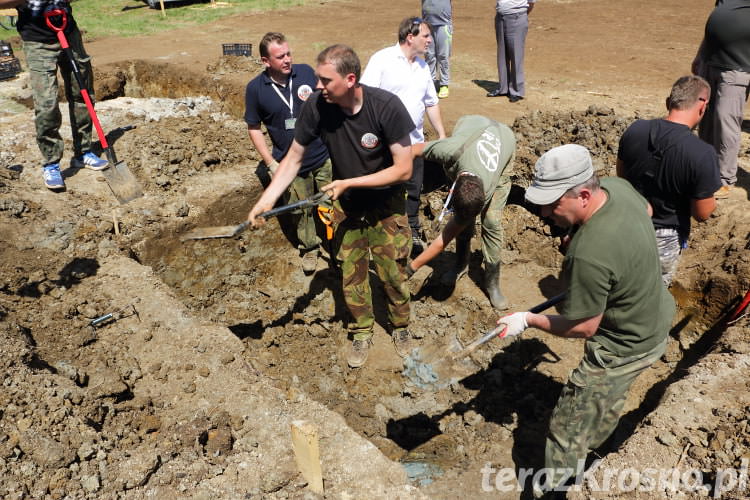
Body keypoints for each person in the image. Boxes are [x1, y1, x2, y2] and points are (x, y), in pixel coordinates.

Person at [499, 145, 675, 498]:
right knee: (605, 402)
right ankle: (598, 447)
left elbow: (584, 327)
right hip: (654, 314)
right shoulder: (616, 188)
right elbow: (647, 208)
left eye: (552, 203)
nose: (544, 212)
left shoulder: (589, 254)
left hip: (625, 343)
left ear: (582, 194)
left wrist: (529, 320)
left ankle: (557, 490)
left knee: (569, 422)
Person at [247, 45, 415, 369]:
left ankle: (401, 326)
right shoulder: (317, 106)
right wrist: (265, 202)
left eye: (326, 80)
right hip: (348, 207)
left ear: (350, 79)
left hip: (386, 206)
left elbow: (404, 169)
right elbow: (293, 158)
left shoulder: (386, 107)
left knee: (393, 274)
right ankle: (362, 331)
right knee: (351, 276)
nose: (318, 86)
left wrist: (350, 182)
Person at [617, 75, 721, 286]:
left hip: (626, 226)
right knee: (650, 295)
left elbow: (621, 176)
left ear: (669, 102)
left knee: (620, 285)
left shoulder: (635, 129)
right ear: (703, 107)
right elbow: (702, 214)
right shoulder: (702, 153)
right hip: (663, 238)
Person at [244, 32, 333, 273]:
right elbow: (254, 127)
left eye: (288, 53)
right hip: (288, 164)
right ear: (265, 61)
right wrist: (271, 162)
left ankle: (336, 244)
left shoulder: (305, 72)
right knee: (300, 209)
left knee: (331, 204)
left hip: (322, 156)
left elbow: (328, 101)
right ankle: (310, 248)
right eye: (280, 56)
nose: (287, 59)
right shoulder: (256, 89)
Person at [408, 115, 515, 310]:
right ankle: (461, 263)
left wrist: (410, 268)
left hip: (505, 139)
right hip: (471, 124)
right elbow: (411, 150)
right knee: (463, 220)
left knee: (491, 222)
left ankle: (492, 283)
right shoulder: (448, 149)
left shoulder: (490, 185)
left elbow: (444, 239)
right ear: (451, 190)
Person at [361, 16, 447, 256]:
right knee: (383, 189)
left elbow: (431, 102)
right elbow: (364, 97)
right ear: (411, 37)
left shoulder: (422, 66)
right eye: (426, 36)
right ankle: (376, 234)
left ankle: (412, 230)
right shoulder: (382, 60)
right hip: (384, 145)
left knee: (413, 189)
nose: (430, 40)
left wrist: (440, 134)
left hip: (414, 143)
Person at [4, 0, 109, 190]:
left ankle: (83, 152)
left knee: (82, 93)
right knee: (46, 104)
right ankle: (51, 163)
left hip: (69, 32)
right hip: (37, 42)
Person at [692, 0, 750, 199]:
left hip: (738, 66)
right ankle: (707, 172)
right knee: (706, 118)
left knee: (725, 119)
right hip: (711, 61)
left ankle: (725, 179)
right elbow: (715, 22)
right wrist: (700, 55)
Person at [487, 0, 535, 102]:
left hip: (517, 17)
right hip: (500, 17)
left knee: (515, 55)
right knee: (502, 54)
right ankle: (503, 88)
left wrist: (519, 15)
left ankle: (517, 90)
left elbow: (531, 3)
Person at [421, 0, 453, 98]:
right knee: (429, 56)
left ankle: (444, 84)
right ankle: (430, 82)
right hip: (427, 24)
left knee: (443, 56)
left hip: (444, 24)